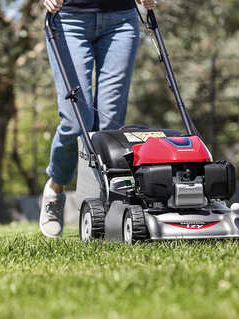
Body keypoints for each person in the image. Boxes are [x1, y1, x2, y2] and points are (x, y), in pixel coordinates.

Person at [40, 0, 156, 238]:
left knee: (110, 126)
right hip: (68, 19)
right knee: (75, 120)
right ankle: (55, 187)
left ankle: (100, 208)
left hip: (121, 19)